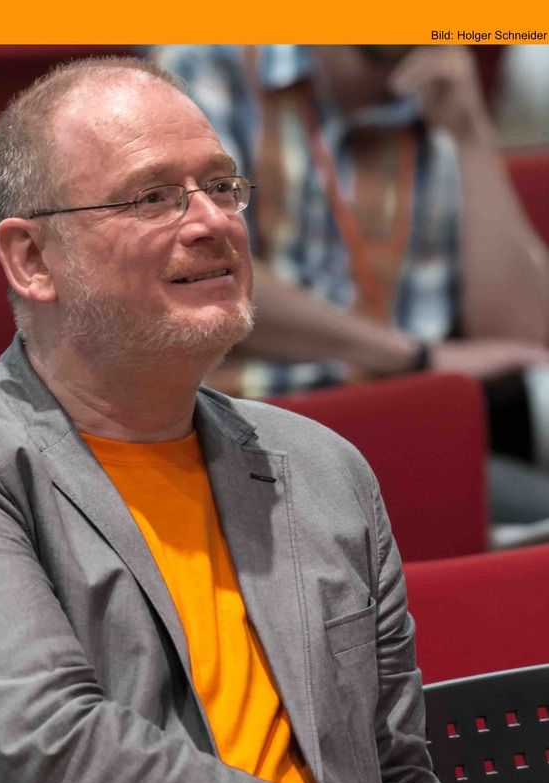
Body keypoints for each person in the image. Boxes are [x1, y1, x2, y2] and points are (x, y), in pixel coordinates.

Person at [0, 57, 547, 783]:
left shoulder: (321, 468)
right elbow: (54, 770)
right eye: (153, 197)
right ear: (31, 258)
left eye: (222, 186)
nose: (211, 221)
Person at [155, 45, 549, 524]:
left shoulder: (439, 97)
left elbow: (523, 341)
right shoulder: (208, 64)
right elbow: (201, 274)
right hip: (252, 432)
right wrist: (411, 356)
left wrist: (471, 134)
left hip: (411, 432)